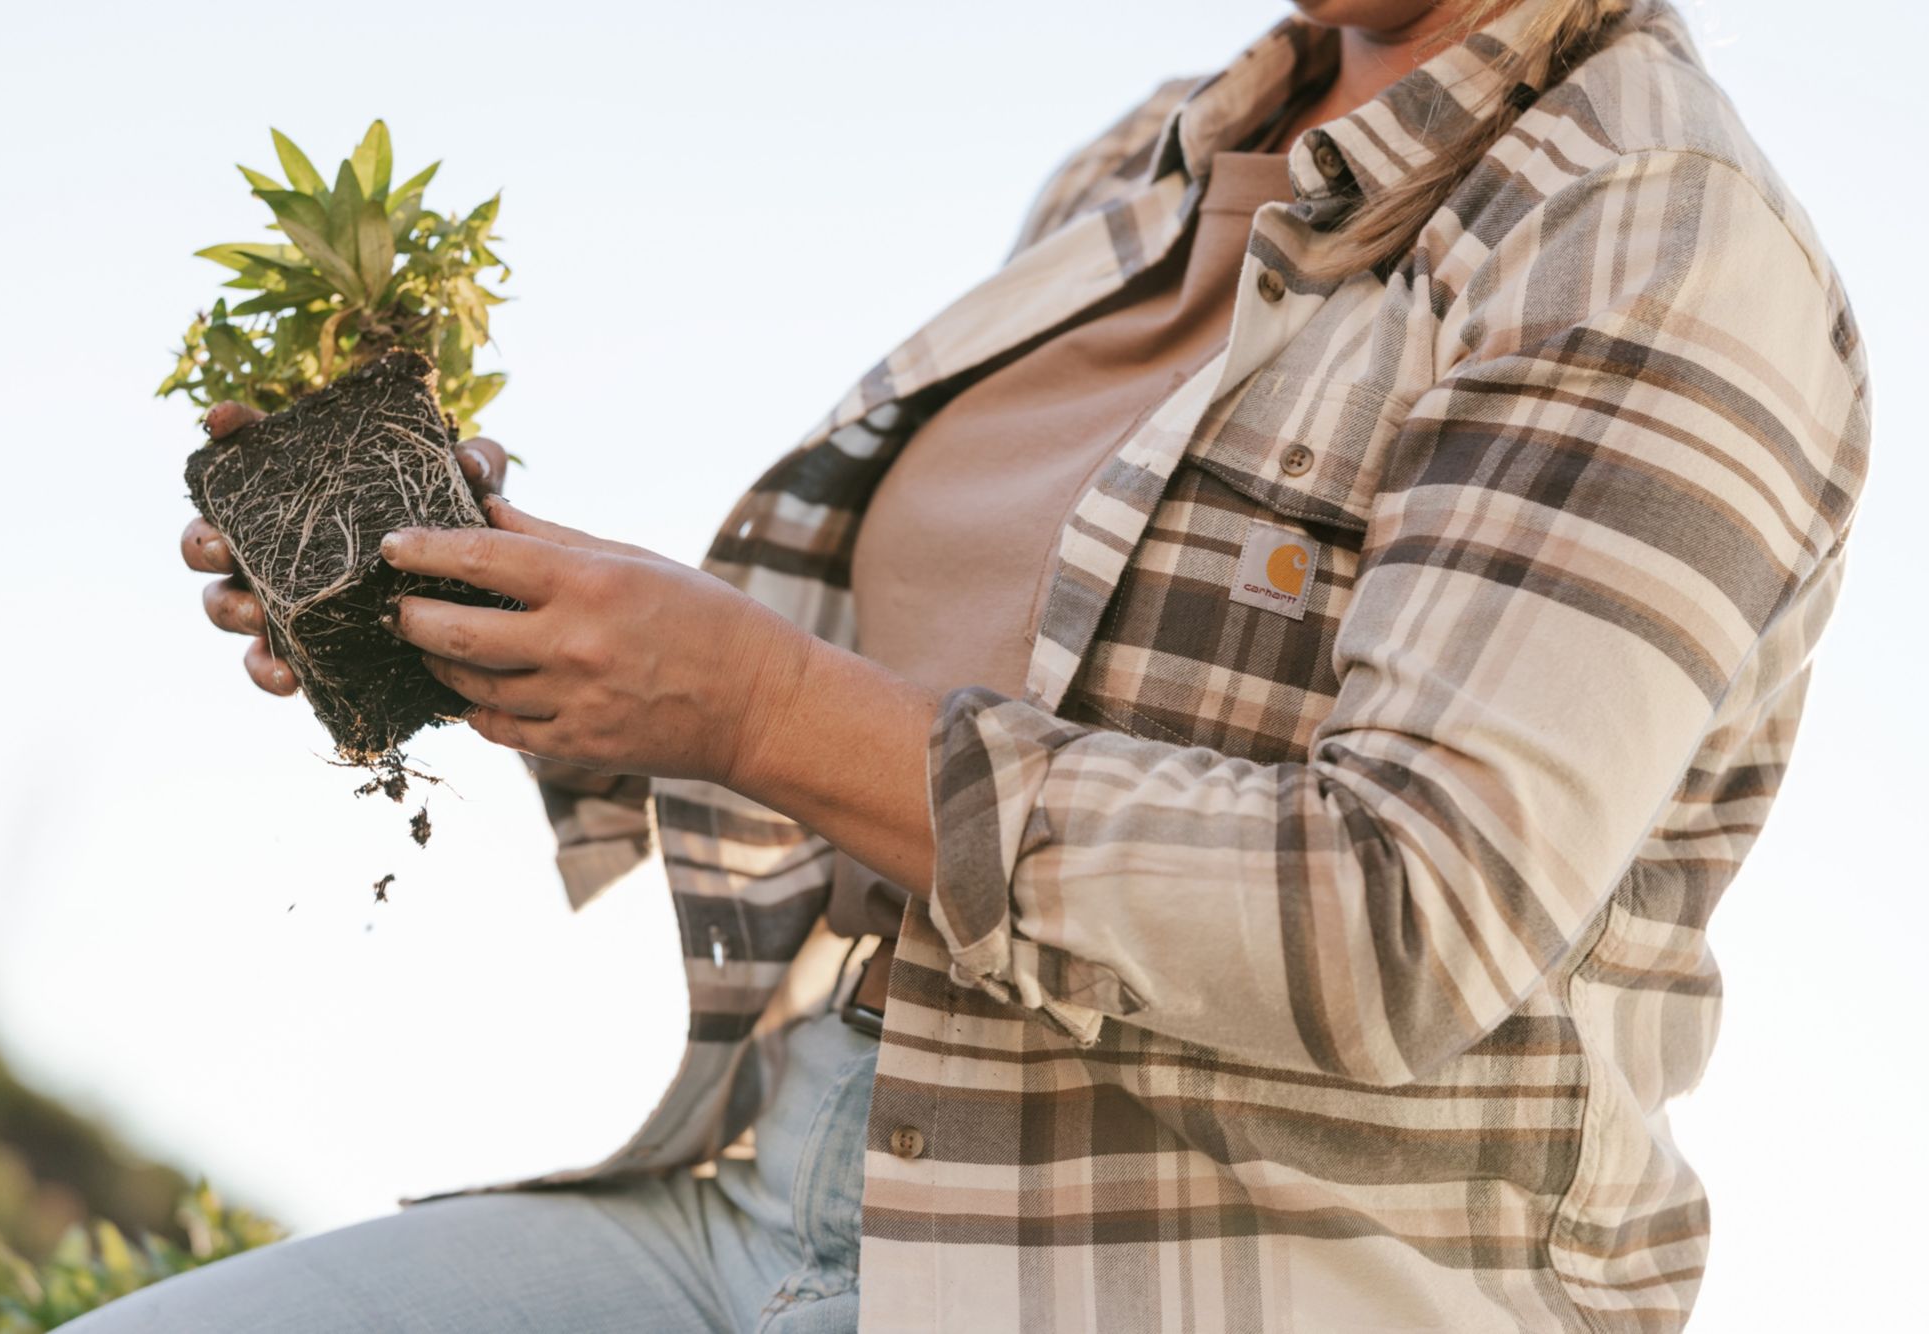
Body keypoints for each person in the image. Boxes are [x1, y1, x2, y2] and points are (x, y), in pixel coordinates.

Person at [123, 0, 1868, 1329]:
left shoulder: (1655, 229)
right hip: (810, 1178)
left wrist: (746, 699)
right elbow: (920, 702)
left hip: (1232, 1266)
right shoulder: (1146, 162)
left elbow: (1404, 913)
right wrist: (505, 623)